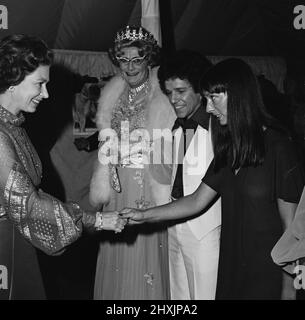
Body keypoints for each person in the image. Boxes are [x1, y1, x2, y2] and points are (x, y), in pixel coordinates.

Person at [121, 58, 305, 300]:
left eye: (213, 98)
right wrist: (143, 215)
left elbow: (292, 228)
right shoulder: (230, 149)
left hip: (267, 269)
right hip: (232, 264)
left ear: (237, 95)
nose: (208, 108)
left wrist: (288, 286)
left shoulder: (279, 147)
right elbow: (197, 200)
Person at [0, 34, 125, 300]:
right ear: (12, 81)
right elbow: (28, 205)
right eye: (39, 84)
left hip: (16, 242)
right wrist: (96, 219)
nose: (46, 94)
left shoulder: (12, 125)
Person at [89, 25, 176, 300]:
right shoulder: (112, 94)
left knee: (143, 256)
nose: (129, 66)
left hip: (146, 187)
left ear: (148, 59)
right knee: (117, 252)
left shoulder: (162, 95)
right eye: (123, 59)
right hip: (116, 188)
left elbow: (170, 147)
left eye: (136, 59)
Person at [157, 50, 221, 299]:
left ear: (200, 90)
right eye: (169, 92)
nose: (173, 99)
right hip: (175, 226)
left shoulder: (219, 128)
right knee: (178, 297)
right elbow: (178, 174)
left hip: (206, 231)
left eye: (181, 91)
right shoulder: (177, 127)